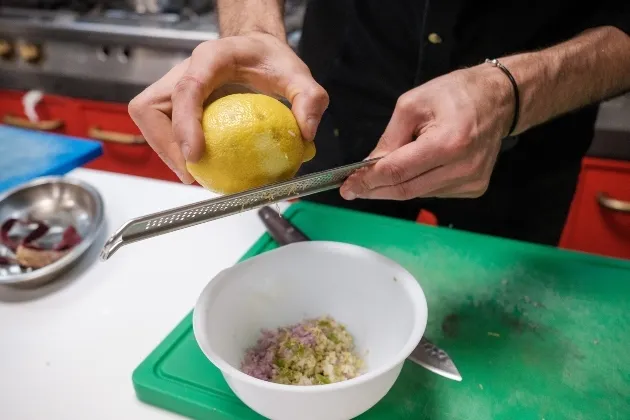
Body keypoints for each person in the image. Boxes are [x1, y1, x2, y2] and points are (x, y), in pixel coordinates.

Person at [128, 0, 630, 246]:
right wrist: (254, 31)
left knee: (498, 327)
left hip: (528, 129)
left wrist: (516, 91)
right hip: (326, 118)